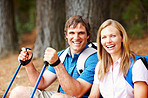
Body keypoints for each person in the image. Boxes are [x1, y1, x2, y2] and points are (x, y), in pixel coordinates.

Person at [9, 15, 98, 98]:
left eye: (81, 33)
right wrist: (28, 64)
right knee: (18, 92)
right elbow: (41, 83)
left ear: (88, 35)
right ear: (66, 35)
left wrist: (57, 64)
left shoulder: (94, 58)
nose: (76, 37)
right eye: (72, 33)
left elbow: (77, 92)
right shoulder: (62, 55)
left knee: (57, 97)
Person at [88, 19, 148, 98]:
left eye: (113, 36)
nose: (108, 41)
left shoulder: (136, 65)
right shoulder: (100, 66)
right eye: (104, 37)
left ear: (122, 38)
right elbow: (94, 96)